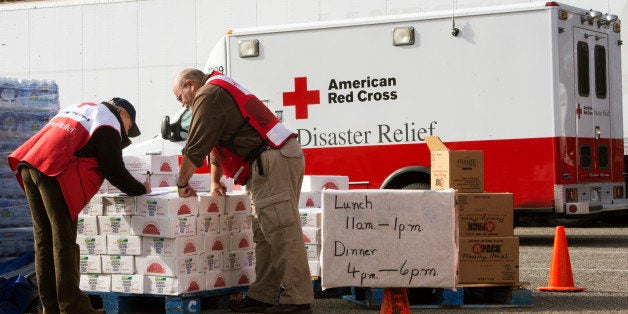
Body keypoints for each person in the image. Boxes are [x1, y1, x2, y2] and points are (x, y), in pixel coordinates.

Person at [172, 68, 314, 313]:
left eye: (180, 98)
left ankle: (298, 300)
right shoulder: (217, 89)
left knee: (281, 230)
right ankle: (264, 294)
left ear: (189, 85)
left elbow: (195, 146)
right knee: (266, 232)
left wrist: (182, 182)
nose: (183, 105)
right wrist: (216, 182)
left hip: (270, 160)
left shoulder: (208, 94)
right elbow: (215, 145)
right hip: (271, 159)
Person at [8, 98, 151, 314]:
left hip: (30, 164)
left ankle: (50, 307)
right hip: (52, 170)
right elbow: (113, 168)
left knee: (44, 241)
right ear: (122, 113)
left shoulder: (82, 109)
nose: (126, 133)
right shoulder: (107, 120)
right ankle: (73, 308)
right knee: (63, 241)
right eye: (130, 126)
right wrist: (141, 189)